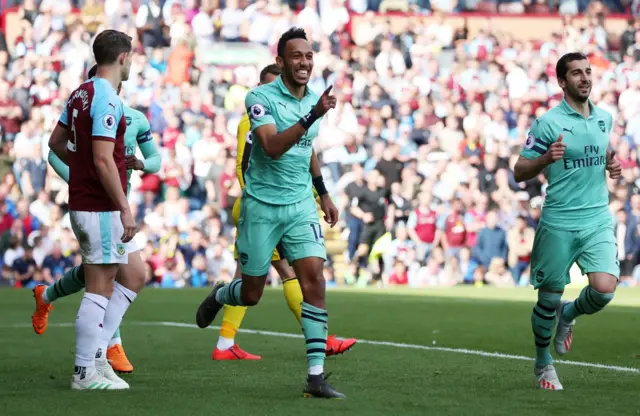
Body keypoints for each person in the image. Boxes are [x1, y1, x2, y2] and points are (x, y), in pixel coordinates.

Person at [195, 28, 345, 399]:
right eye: (296, 56)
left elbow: (306, 147)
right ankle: (220, 296)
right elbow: (273, 146)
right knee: (251, 293)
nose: (304, 62)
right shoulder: (258, 99)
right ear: (281, 61)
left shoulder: (313, 100)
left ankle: (315, 377)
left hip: (299, 207)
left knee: (315, 282)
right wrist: (312, 116)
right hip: (260, 208)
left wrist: (323, 193)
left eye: (309, 56)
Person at [31, 63, 161, 375]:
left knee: (125, 273)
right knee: (106, 276)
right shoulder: (87, 113)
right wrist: (79, 179)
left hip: (116, 204)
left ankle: (49, 297)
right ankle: (99, 355)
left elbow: (156, 160)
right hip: (96, 205)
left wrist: (141, 164)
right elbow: (54, 151)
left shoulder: (134, 118)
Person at [513, 52, 622, 391]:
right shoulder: (547, 123)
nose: (584, 78)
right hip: (559, 220)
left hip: (596, 218)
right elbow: (519, 171)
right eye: (576, 73)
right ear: (562, 82)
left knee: (604, 289)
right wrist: (546, 158)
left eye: (588, 72)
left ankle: (570, 313)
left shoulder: (605, 119)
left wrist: (609, 165)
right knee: (547, 297)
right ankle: (543, 364)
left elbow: (599, 153)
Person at [44, 30, 137, 391]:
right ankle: (84, 372)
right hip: (98, 206)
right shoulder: (108, 98)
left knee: (115, 279)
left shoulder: (80, 92)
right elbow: (100, 157)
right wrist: (124, 207)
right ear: (123, 58)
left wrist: (87, 166)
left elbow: (56, 143)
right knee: (99, 287)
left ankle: (96, 364)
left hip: (84, 201)